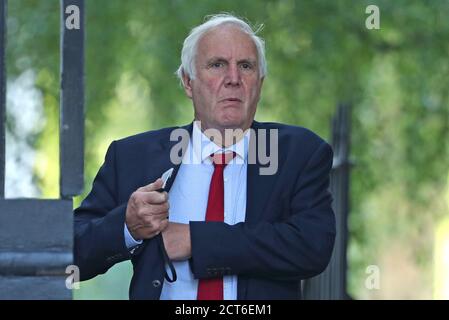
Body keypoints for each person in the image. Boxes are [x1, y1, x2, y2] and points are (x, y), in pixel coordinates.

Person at [74, 13, 336, 300]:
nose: (233, 79)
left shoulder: (296, 153)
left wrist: (196, 241)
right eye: (217, 64)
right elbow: (69, 254)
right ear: (188, 82)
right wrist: (127, 227)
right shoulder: (133, 156)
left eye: (246, 66)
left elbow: (312, 247)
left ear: (259, 83)